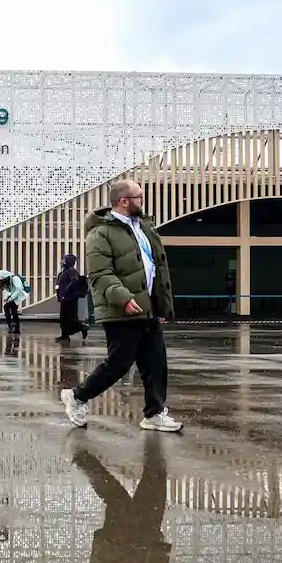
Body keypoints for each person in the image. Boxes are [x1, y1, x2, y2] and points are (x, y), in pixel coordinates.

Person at [60, 179, 182, 432]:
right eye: (139, 196)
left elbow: (156, 269)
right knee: (119, 363)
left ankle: (154, 413)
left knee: (156, 362)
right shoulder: (100, 233)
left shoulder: (144, 228)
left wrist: (160, 305)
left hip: (145, 308)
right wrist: (124, 298)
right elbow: (100, 273)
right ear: (124, 201)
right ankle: (77, 396)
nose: (143, 201)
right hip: (120, 308)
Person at [56, 253, 90, 342]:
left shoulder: (71, 271)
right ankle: (64, 335)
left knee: (70, 318)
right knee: (63, 317)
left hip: (70, 299)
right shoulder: (63, 272)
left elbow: (74, 282)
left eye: (63, 260)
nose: (61, 262)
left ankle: (82, 328)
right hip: (64, 298)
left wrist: (67, 291)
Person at [0, 269, 29, 334]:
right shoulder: (9, 280)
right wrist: (7, 297)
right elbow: (10, 291)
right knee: (14, 311)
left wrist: (11, 298)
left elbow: (18, 290)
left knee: (6, 307)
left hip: (21, 294)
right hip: (16, 296)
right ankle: (17, 329)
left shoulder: (15, 278)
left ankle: (11, 325)